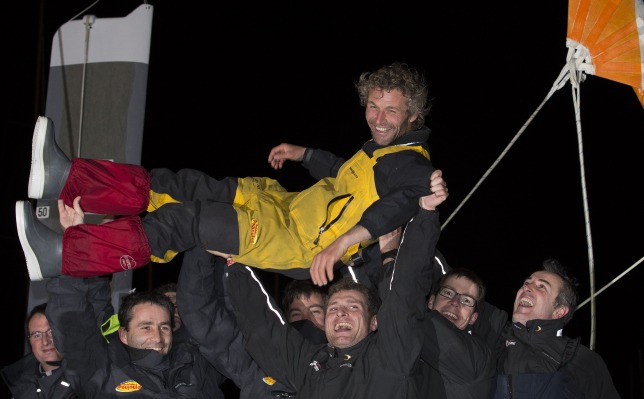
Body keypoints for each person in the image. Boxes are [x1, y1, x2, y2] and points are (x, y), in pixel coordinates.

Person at [20, 62, 436, 286]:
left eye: (391, 111)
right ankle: (68, 179)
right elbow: (343, 173)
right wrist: (303, 153)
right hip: (281, 203)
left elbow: (396, 208)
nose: (377, 119)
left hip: (297, 240)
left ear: (413, 115)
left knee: (183, 222)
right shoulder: (379, 149)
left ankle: (61, 257)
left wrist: (342, 244)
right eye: (373, 106)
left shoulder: (416, 167)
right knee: (177, 185)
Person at [218, 178, 447, 399]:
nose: (341, 314)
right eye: (334, 309)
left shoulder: (389, 356)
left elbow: (404, 296)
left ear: (374, 322)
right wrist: (234, 262)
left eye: (353, 307)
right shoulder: (310, 364)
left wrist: (424, 214)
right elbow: (263, 329)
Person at [37, 259, 229, 399]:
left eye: (164, 327)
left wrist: (213, 246)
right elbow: (73, 326)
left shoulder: (200, 366)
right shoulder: (101, 372)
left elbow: (219, 311)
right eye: (146, 327)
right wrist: (76, 255)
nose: (157, 337)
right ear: (123, 334)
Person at [176, 247, 326, 399]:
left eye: (315, 311)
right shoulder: (256, 359)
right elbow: (202, 316)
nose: (306, 320)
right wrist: (203, 248)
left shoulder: (348, 360)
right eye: (296, 314)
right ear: (286, 319)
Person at [476, 258, 626, 399]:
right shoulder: (496, 335)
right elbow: (455, 287)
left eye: (542, 286)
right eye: (526, 282)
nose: (527, 287)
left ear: (559, 311)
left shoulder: (582, 360)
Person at [376, 224, 495, 399]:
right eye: (448, 293)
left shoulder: (478, 359)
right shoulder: (404, 346)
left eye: (466, 300)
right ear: (430, 302)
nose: (455, 303)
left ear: (474, 318)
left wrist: (389, 258)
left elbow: (405, 313)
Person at [1, 303, 86, 399]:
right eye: (36, 335)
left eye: (51, 331)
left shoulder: (87, 384)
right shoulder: (20, 391)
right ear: (29, 342)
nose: (45, 341)